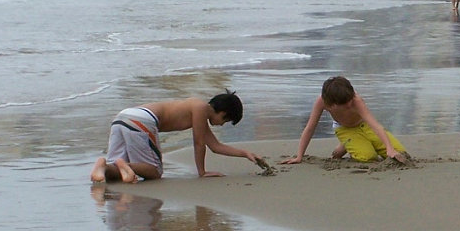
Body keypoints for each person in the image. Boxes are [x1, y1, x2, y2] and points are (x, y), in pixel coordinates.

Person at [90, 93, 261, 183]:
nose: (222, 125)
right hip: (142, 120)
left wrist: (245, 153)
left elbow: (215, 146)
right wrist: (202, 172)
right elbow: (199, 143)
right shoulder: (200, 107)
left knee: (115, 175)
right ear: (223, 113)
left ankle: (103, 166)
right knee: (154, 171)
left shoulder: (197, 109)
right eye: (226, 121)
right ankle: (124, 164)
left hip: (123, 117)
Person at [284, 76, 406, 164]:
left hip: (364, 125)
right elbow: (310, 128)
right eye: (344, 103)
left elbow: (375, 125)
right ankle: (345, 145)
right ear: (333, 103)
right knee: (368, 158)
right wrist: (299, 156)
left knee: (400, 153)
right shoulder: (322, 102)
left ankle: (352, 142)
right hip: (344, 128)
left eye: (350, 100)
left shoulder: (356, 100)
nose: (349, 104)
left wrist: (389, 148)